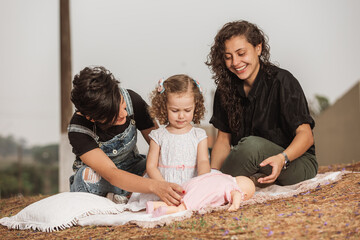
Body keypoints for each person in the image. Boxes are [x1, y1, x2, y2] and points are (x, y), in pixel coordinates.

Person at [205, 20, 318, 186]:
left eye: (241, 53)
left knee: (251, 146)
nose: (235, 62)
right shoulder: (224, 90)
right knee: (242, 156)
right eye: (228, 57)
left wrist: (282, 159)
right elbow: (223, 140)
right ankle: (220, 183)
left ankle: (213, 188)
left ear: (258, 48)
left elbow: (306, 136)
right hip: (255, 166)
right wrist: (213, 172)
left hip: (294, 162)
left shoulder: (283, 81)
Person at [68, 66, 183, 206]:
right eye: (114, 116)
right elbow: (111, 174)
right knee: (85, 178)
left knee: (162, 165)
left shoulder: (133, 100)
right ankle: (130, 194)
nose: (124, 114)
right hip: (104, 176)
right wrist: (154, 186)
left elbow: (159, 146)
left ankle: (122, 196)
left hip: (134, 167)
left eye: (122, 106)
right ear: (92, 118)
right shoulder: (79, 129)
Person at [127, 74, 210, 210]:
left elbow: (203, 162)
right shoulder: (158, 135)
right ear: (164, 107)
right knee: (158, 203)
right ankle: (161, 205)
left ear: (196, 107)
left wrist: (200, 183)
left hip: (190, 184)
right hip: (163, 185)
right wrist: (163, 187)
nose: (181, 115)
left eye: (187, 110)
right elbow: (151, 166)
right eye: (175, 110)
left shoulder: (198, 135)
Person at [146, 172, 255, 217]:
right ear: (244, 194)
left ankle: (153, 205)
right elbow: (236, 195)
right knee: (183, 207)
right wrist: (235, 205)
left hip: (189, 186)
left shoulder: (222, 176)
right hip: (199, 193)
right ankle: (168, 211)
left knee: (178, 200)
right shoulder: (233, 187)